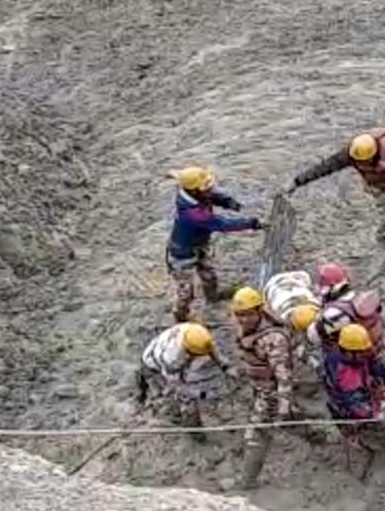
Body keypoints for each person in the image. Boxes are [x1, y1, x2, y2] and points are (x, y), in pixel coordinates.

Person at [287, 129, 385, 247]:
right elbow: (325, 167)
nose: (359, 164)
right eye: (358, 161)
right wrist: (298, 181)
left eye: (364, 161)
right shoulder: (351, 153)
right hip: (376, 183)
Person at [165, 166, 265, 322]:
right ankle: (181, 316)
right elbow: (223, 224)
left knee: (209, 275)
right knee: (185, 291)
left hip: (199, 246)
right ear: (194, 191)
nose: (210, 189)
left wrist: (228, 202)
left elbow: (212, 196)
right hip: (181, 255)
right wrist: (252, 223)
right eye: (206, 187)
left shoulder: (192, 193)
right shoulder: (194, 214)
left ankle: (213, 298)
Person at [230, 286, 305, 488]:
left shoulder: (273, 339)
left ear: (259, 311)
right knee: (292, 418)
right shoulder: (246, 327)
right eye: (240, 315)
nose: (243, 320)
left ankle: (247, 482)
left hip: (272, 391)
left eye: (248, 315)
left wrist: (282, 405)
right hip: (258, 386)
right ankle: (312, 432)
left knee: (257, 434)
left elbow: (283, 376)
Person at [321, 324, 385, 452]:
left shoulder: (345, 356)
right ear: (351, 351)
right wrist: (379, 409)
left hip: (352, 402)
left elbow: (374, 368)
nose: (365, 353)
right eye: (362, 351)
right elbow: (356, 406)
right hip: (353, 411)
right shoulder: (345, 376)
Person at [138, 323, 235, 432]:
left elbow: (210, 347)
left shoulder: (195, 332)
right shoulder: (173, 359)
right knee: (184, 400)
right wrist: (202, 394)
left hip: (159, 345)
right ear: (190, 352)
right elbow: (177, 387)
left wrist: (224, 365)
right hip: (153, 364)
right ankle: (193, 430)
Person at [306, 262, 385, 356]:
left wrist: (315, 318)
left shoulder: (335, 314)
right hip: (372, 348)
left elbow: (313, 337)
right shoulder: (359, 298)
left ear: (331, 287)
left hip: (350, 358)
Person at [262, 270, 322, 365]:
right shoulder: (282, 318)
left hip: (295, 282)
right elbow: (296, 347)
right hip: (273, 287)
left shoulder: (316, 307)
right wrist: (313, 362)